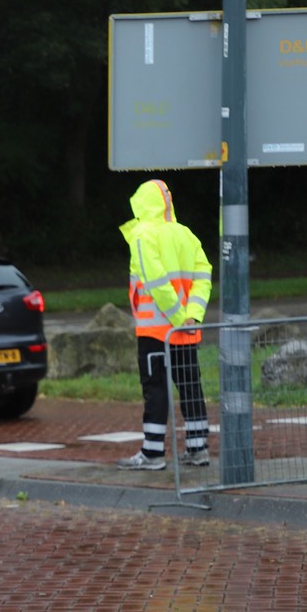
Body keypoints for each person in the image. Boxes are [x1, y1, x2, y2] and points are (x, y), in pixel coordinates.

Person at [116, 178, 212, 470]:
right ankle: (198, 449)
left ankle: (153, 453)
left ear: (142, 204)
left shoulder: (143, 235)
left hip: (156, 330)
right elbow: (203, 276)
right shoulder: (186, 234)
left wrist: (177, 318)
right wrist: (192, 315)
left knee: (155, 388)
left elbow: (155, 281)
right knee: (190, 386)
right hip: (185, 331)